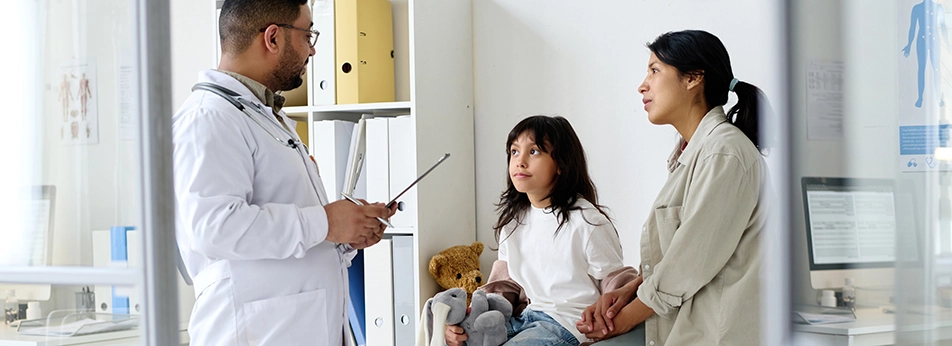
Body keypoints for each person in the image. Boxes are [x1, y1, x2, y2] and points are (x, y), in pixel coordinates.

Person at [171, 0, 395, 345]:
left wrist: (345, 231)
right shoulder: (209, 118)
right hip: (253, 332)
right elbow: (214, 227)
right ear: (273, 38)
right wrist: (326, 223)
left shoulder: (261, 114)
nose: (313, 49)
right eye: (308, 34)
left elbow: (293, 232)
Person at [576, 30, 770, 346]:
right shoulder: (692, 152)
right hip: (679, 321)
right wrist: (626, 292)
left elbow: (689, 261)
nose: (643, 85)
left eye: (655, 70)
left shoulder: (725, 153)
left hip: (713, 333)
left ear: (693, 78)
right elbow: (676, 253)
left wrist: (621, 320)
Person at [444, 115, 638, 346]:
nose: (520, 161)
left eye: (534, 151)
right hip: (523, 318)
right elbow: (505, 285)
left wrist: (610, 320)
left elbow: (615, 282)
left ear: (561, 164)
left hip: (565, 324)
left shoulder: (587, 221)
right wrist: (471, 319)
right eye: (514, 152)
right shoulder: (514, 222)